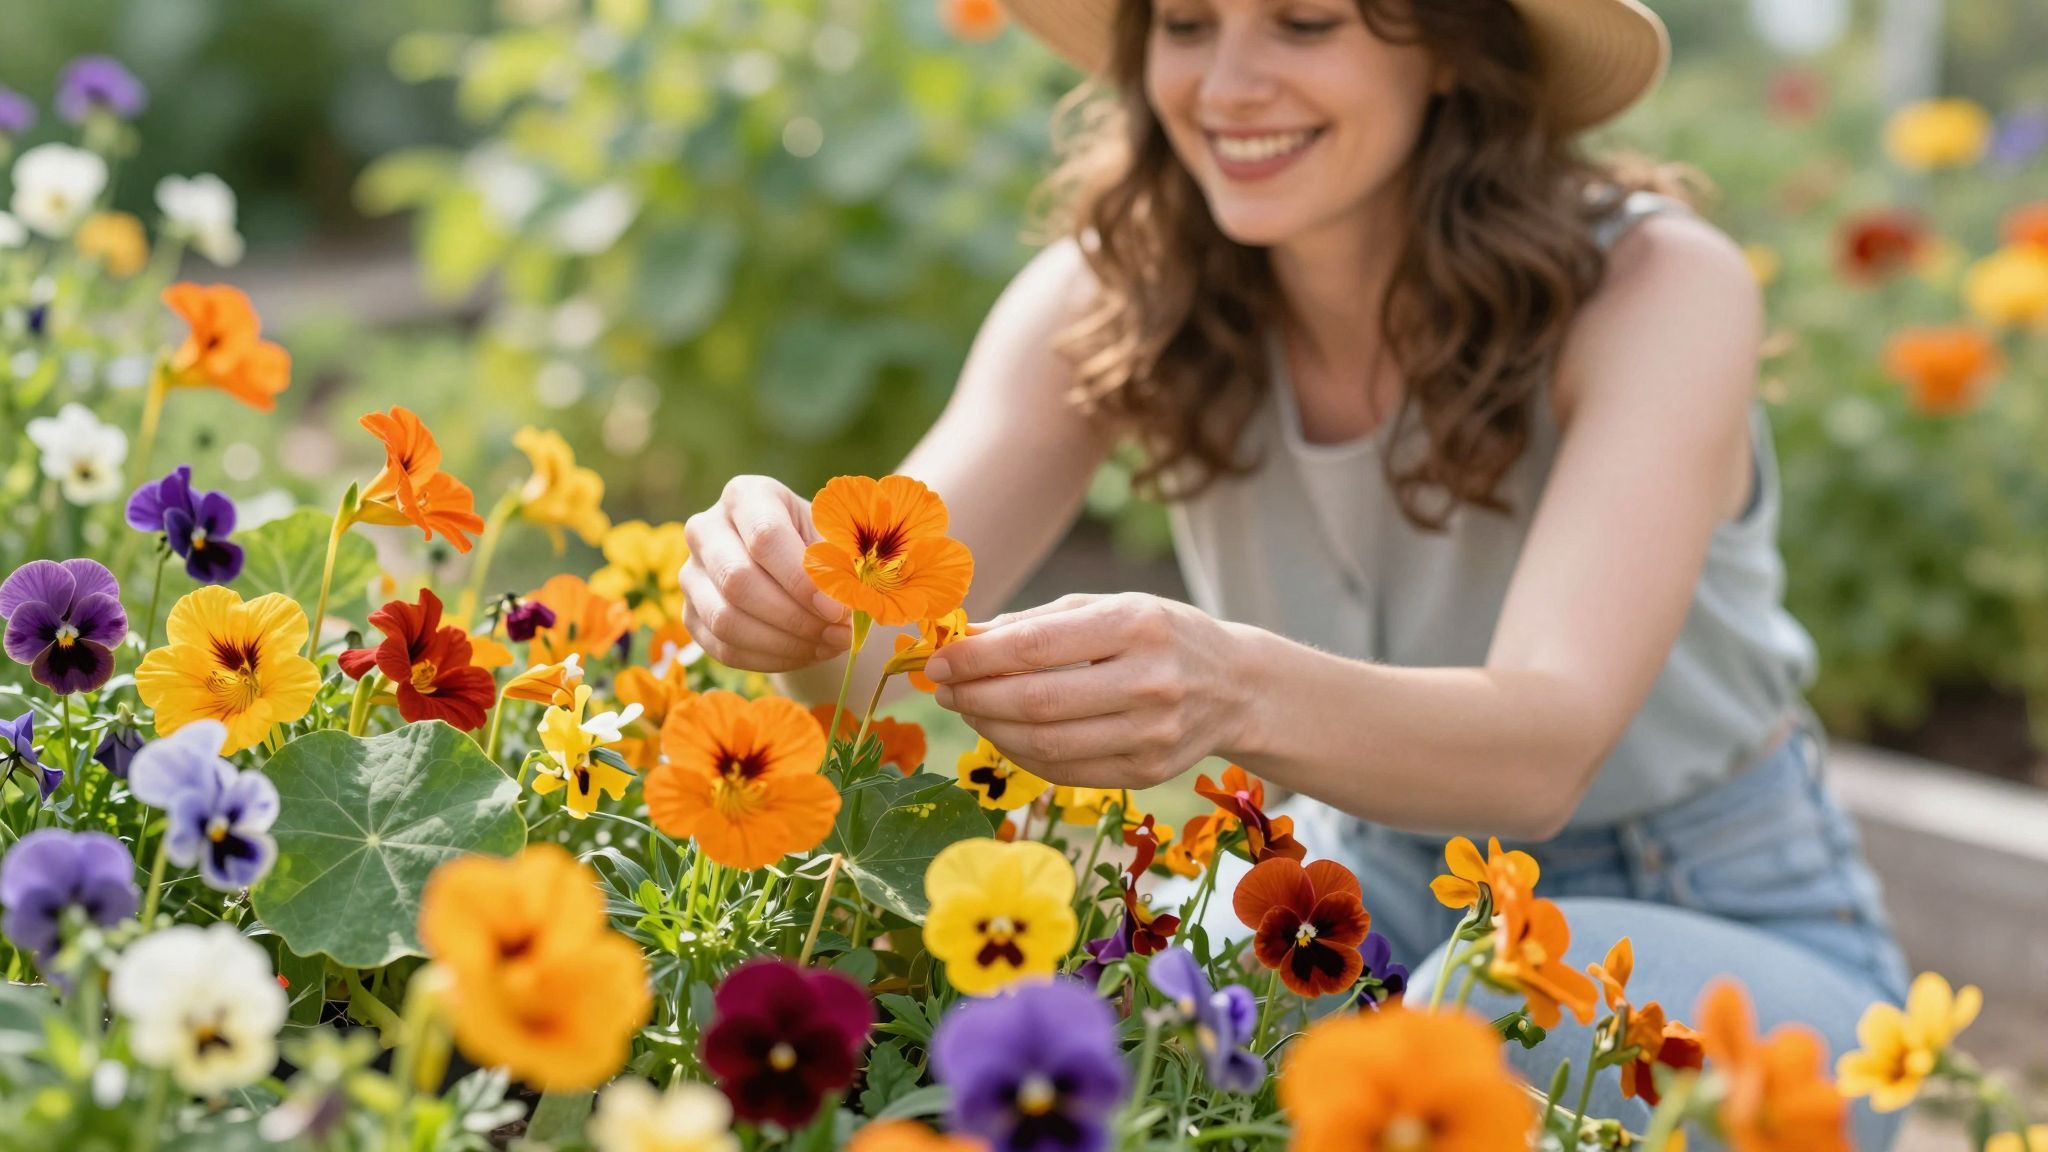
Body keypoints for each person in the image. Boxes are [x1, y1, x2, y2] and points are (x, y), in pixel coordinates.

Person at [678, 0, 1909, 1145]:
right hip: (1345, 892)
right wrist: (778, 592)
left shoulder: (1655, 287)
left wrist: (1228, 689)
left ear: (1447, 40)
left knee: (1456, 1037)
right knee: (1123, 1028)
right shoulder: (1111, 290)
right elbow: (869, 661)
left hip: (1721, 921)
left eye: (1304, 19)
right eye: (1185, 21)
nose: (1226, 83)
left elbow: (1545, 748)